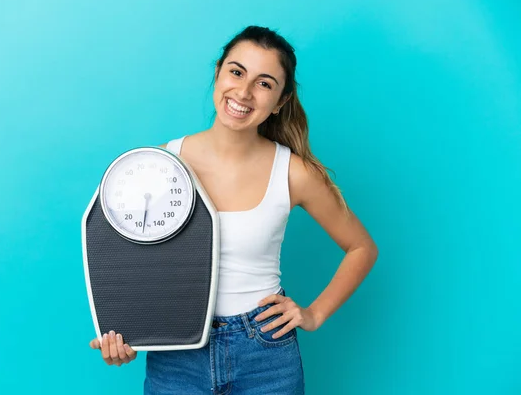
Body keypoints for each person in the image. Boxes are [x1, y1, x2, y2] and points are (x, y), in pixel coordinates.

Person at [89, 25, 378, 394]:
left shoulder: (293, 173)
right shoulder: (159, 164)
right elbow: (126, 259)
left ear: (280, 101)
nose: (243, 92)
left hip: (266, 354)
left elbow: (362, 247)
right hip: (176, 354)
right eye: (236, 72)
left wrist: (314, 313)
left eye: (264, 83)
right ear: (218, 73)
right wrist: (128, 332)